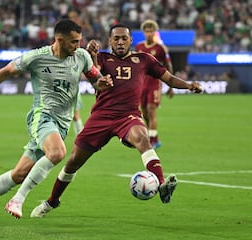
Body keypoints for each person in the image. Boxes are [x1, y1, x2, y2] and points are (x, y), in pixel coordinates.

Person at [30, 23, 202, 218]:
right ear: (110, 41)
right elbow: (93, 75)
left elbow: (169, 79)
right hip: (101, 117)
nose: (120, 42)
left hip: (127, 116)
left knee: (142, 138)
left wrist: (189, 85)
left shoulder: (144, 60)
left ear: (130, 40)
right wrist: (93, 56)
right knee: (72, 163)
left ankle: (161, 185)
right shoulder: (102, 58)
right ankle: (52, 201)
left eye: (124, 38)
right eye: (116, 38)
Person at [0, 19, 113, 227]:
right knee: (57, 153)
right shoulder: (37, 57)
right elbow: (6, 71)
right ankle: (18, 199)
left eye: (79, 41)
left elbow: (96, 80)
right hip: (42, 117)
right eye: (73, 42)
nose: (77, 46)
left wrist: (102, 83)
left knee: (19, 174)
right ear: (60, 40)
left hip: (62, 124)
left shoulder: (82, 56)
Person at [135, 19, 174, 149]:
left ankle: (151, 141)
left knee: (151, 110)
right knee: (144, 112)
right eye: (146, 31)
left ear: (155, 32)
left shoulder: (160, 48)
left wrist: (170, 86)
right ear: (143, 33)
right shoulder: (139, 47)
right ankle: (154, 138)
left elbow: (168, 65)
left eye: (151, 31)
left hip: (154, 83)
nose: (149, 33)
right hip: (142, 84)